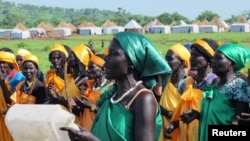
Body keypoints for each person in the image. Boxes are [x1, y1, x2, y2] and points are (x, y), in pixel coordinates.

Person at [61, 32, 172, 141]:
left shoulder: (143, 99)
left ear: (131, 62)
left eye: (113, 53)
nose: (106, 58)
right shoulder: (113, 95)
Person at [180, 43, 250, 141]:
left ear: (232, 63)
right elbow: (220, 117)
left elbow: (241, 130)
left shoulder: (238, 87)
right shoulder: (213, 84)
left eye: (218, 58)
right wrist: (199, 115)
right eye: (213, 57)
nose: (213, 61)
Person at [164, 38, 219, 141]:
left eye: (197, 56)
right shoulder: (189, 82)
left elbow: (219, 115)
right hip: (188, 135)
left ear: (208, 59)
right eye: (192, 55)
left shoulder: (214, 81)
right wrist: (174, 124)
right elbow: (183, 111)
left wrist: (199, 115)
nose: (192, 59)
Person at [158, 43, 191, 141]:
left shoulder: (187, 84)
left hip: (179, 132)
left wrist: (163, 111)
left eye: (170, 58)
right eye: (165, 58)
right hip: (163, 130)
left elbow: (187, 114)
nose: (166, 62)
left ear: (182, 62)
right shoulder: (166, 82)